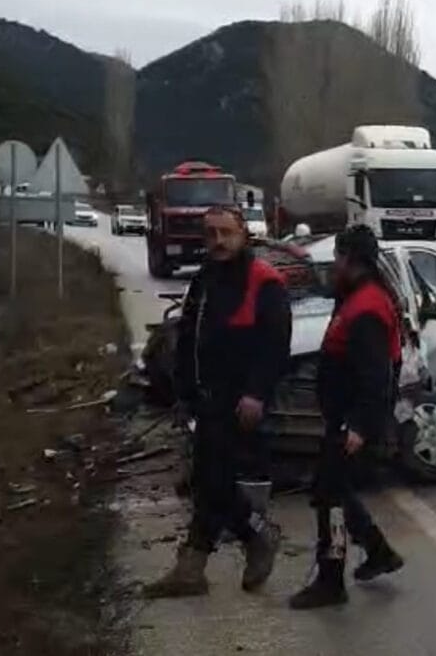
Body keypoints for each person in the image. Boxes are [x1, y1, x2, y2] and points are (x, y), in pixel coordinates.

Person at [143, 206, 292, 598]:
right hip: (207, 398)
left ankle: (254, 537)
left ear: (244, 234)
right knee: (209, 484)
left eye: (226, 233)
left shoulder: (264, 281)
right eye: (211, 234)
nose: (219, 241)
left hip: (241, 401)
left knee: (213, 480)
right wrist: (183, 391)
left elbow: (275, 346)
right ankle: (194, 567)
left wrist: (256, 393)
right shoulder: (206, 279)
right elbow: (189, 337)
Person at [289, 225, 405, 610]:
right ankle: (377, 550)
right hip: (341, 416)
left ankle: (331, 578)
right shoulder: (355, 296)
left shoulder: (368, 307)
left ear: (351, 260)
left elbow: (376, 375)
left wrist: (357, 425)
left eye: (338, 257)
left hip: (350, 421)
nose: (334, 265)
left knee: (330, 495)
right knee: (330, 489)